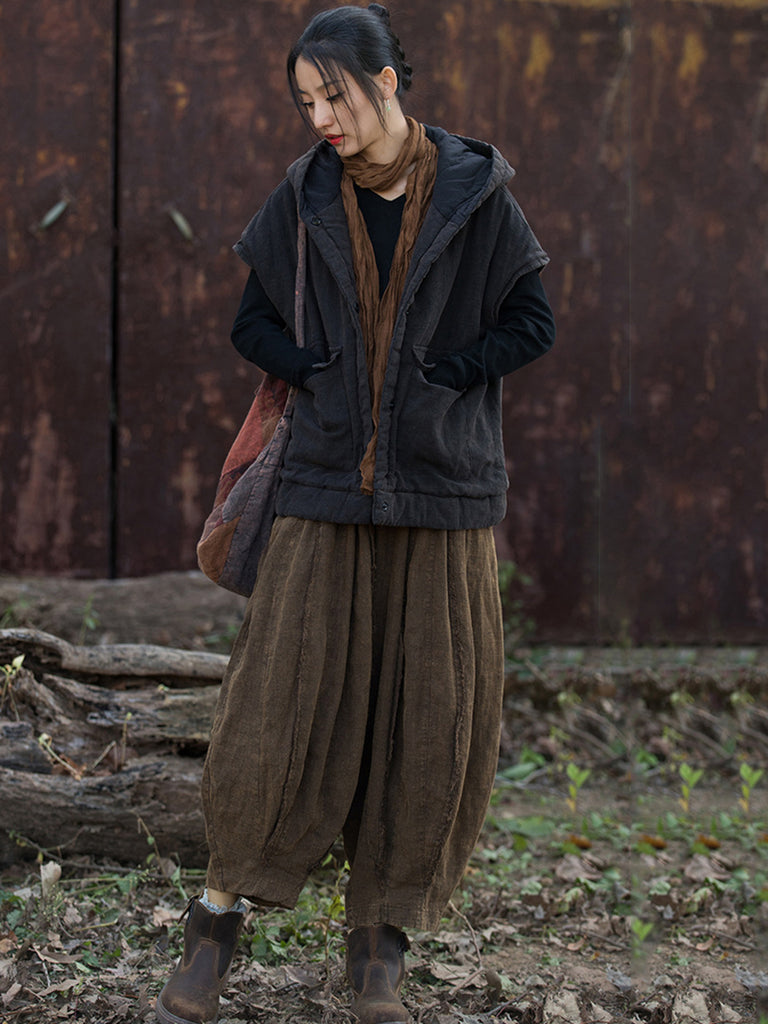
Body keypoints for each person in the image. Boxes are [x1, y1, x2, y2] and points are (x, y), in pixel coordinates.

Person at [156, 5, 554, 1023]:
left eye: (331, 95)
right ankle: (214, 924)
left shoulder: (477, 193)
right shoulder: (302, 195)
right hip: (325, 484)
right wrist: (316, 373)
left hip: (443, 494)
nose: (320, 118)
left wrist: (448, 374)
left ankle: (380, 945)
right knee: (273, 705)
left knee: (430, 720)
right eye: (305, 102)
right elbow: (251, 322)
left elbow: (534, 321)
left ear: (385, 82)